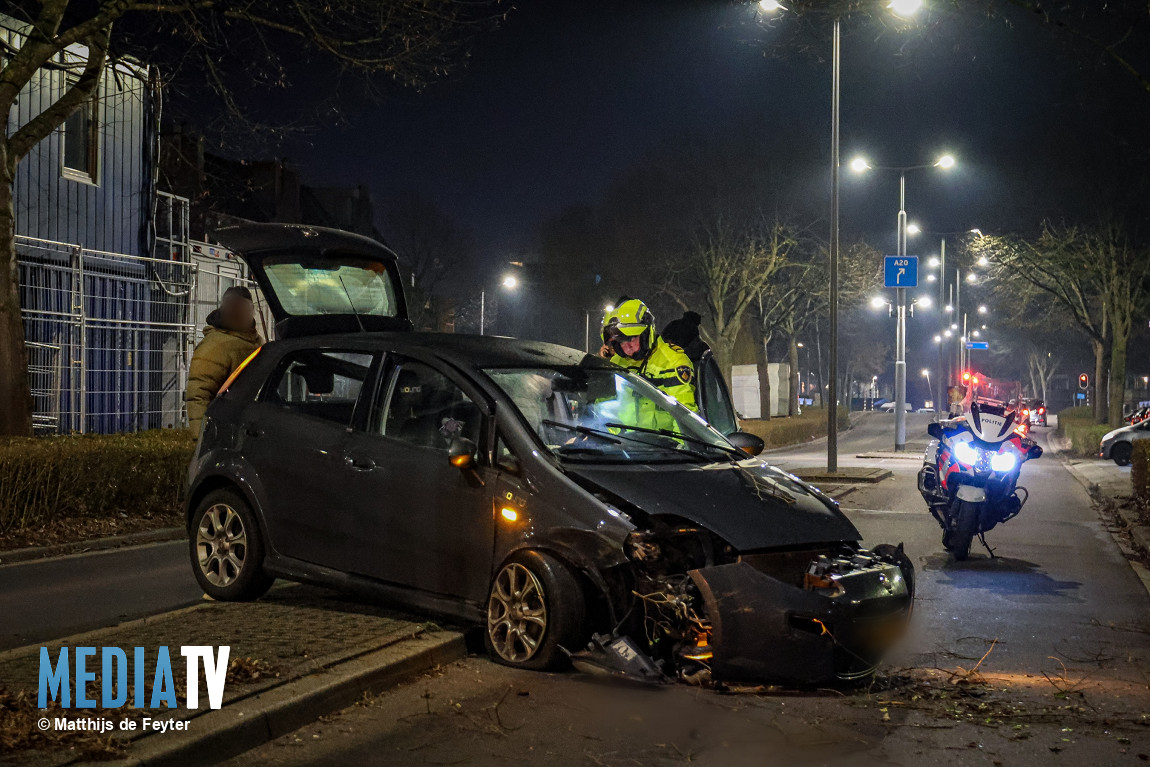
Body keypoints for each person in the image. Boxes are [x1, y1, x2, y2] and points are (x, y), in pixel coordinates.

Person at [600, 298, 697, 422]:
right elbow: (603, 411)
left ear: (646, 334)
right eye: (621, 342)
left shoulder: (673, 362)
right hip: (623, 440)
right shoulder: (616, 363)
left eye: (631, 339)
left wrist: (677, 442)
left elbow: (685, 417)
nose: (628, 348)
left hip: (664, 440)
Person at [185, 286, 263, 433]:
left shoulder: (259, 343)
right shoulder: (214, 346)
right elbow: (198, 396)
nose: (236, 312)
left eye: (241, 308)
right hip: (225, 432)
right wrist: (201, 438)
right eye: (232, 307)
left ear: (251, 311)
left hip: (249, 431)